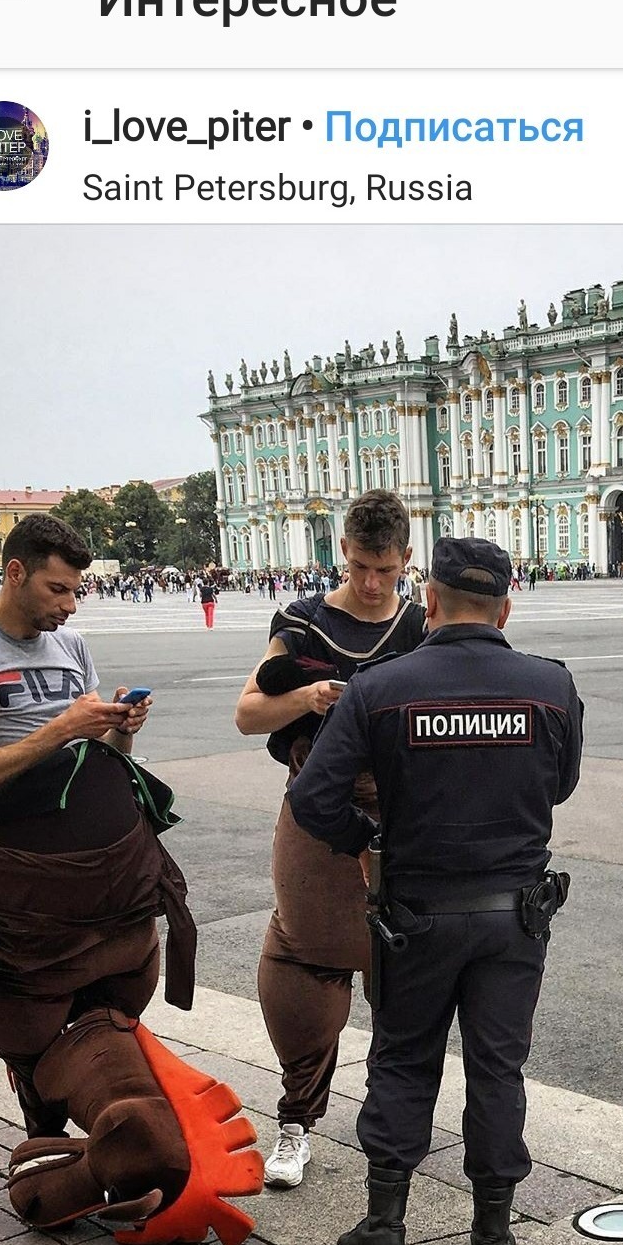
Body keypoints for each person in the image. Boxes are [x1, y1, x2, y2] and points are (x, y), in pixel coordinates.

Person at [287, 536, 583, 1245]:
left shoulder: (382, 687)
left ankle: (385, 1224)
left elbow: (314, 797)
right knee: (497, 1067)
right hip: (514, 914)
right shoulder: (549, 686)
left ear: (429, 601)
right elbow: (561, 785)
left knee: (402, 1059)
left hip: (414, 912)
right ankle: (490, 1237)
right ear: (506, 607)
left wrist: (370, 838)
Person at [0, 513, 195, 1142]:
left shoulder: (73, 648)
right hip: (24, 875)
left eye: (77, 590)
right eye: (58, 590)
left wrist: (119, 728)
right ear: (16, 573)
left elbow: (102, 756)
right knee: (28, 1004)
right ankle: (45, 1129)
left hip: (106, 875)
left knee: (106, 997)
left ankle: (102, 1122)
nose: (71, 605)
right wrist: (66, 726)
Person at [235, 492, 426, 1191]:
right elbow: (248, 712)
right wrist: (308, 701)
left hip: (404, 815)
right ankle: (295, 1122)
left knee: (406, 968)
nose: (370, 582)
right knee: (301, 958)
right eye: (357, 566)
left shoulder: (421, 625)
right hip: (315, 809)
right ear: (340, 552)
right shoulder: (302, 621)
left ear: (406, 559)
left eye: (384, 569)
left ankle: (394, 1116)